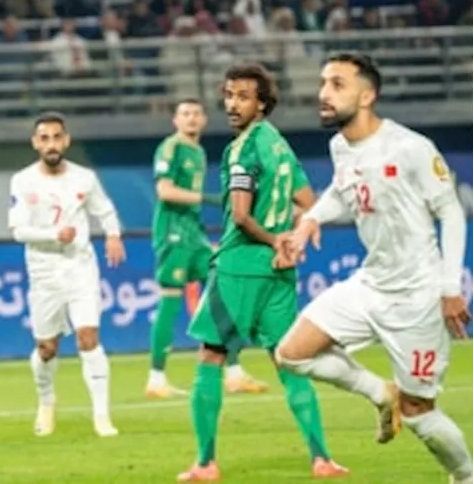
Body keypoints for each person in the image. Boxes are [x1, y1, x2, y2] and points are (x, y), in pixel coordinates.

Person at [273, 52, 473, 484]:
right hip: (371, 283)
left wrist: (450, 287)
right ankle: (380, 392)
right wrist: (309, 220)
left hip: (416, 298)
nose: (324, 93)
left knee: (420, 413)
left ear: (368, 95)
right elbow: (344, 193)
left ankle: (465, 475)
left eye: (337, 84)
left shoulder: (409, 147)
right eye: (324, 83)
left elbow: (451, 213)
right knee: (290, 354)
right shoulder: (340, 144)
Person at [178, 63, 347, 482]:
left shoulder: (243, 150)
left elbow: (239, 215)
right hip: (279, 274)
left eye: (243, 97)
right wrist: (293, 239)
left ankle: (205, 463)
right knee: (288, 362)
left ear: (263, 104)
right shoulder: (281, 146)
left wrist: (275, 241)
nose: (232, 104)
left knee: (211, 355)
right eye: (229, 94)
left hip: (239, 267)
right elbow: (309, 201)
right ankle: (321, 459)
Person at [7, 112, 126, 439]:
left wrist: (113, 235)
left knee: (89, 338)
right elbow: (17, 230)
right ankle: (46, 402)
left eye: (56, 137)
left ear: (66, 140)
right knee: (47, 347)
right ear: (35, 143)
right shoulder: (22, 181)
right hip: (44, 272)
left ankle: (102, 416)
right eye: (44, 138)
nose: (51, 144)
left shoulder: (84, 178)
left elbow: (105, 210)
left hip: (79, 268)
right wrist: (53, 235)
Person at [146, 98, 268, 398]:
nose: (191, 118)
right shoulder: (170, 148)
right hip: (173, 235)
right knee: (171, 302)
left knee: (224, 293)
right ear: (175, 120)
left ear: (204, 120)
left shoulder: (198, 151)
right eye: (185, 113)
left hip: (194, 236)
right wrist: (212, 199)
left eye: (196, 114)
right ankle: (156, 379)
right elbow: (165, 192)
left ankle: (234, 372)